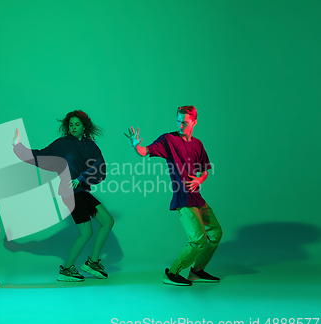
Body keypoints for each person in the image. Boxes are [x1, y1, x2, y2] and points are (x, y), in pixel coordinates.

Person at [125, 105, 222, 286]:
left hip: (197, 197)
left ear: (194, 122)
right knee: (198, 240)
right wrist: (136, 146)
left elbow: (204, 171)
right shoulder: (168, 140)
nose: (181, 125)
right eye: (178, 121)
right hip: (183, 198)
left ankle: (197, 271)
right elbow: (145, 151)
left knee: (215, 233)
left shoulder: (198, 144)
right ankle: (172, 273)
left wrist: (199, 180)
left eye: (184, 122)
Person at [12, 110, 114, 282]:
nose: (73, 127)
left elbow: (100, 165)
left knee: (108, 221)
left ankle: (93, 262)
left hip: (81, 190)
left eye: (77, 124)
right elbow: (40, 155)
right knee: (86, 232)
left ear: (84, 127)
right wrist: (18, 148)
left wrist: (81, 178)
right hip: (69, 193)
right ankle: (66, 269)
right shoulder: (62, 144)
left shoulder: (90, 146)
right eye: (71, 125)